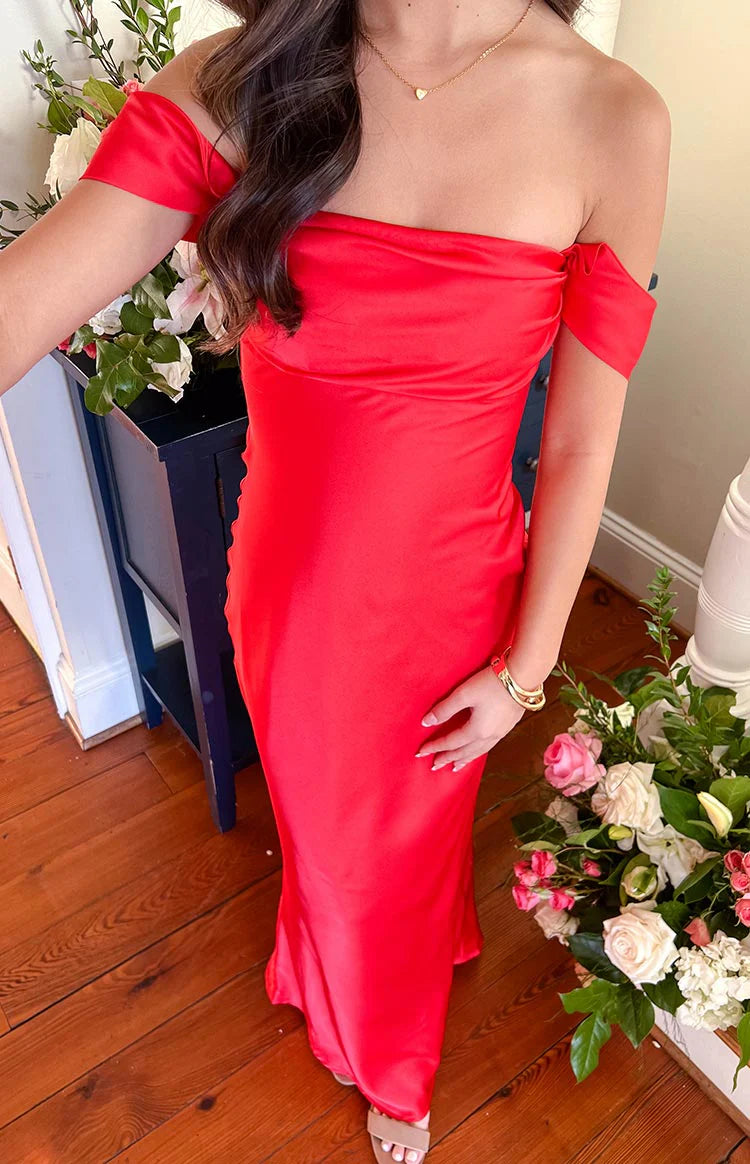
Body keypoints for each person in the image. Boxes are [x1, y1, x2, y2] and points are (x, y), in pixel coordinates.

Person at [0, 1, 670, 1159]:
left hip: (457, 599)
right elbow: (23, 298)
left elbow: (577, 440)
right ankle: (365, 993)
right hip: (294, 592)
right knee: (336, 841)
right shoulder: (244, 78)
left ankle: (390, 1043)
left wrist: (528, 666)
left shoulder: (615, 117)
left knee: (405, 842)